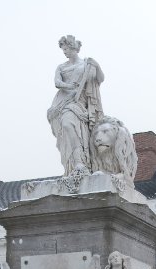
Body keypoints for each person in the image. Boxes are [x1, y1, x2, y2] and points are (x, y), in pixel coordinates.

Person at [47, 34, 105, 177]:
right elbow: (57, 83)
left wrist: (96, 65)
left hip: (80, 102)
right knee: (67, 126)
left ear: (73, 48)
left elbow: (100, 79)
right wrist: (69, 87)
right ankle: (76, 162)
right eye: (63, 49)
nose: (64, 52)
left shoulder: (85, 65)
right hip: (63, 102)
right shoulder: (61, 67)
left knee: (82, 133)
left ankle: (83, 163)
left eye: (66, 49)